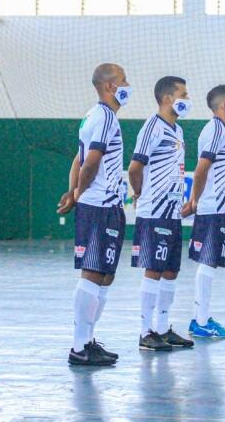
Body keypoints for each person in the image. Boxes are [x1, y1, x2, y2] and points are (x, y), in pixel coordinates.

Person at [58, 63, 130, 366]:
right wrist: (77, 194)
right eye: (124, 81)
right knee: (92, 272)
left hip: (109, 206)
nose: (128, 86)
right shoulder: (102, 117)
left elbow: (79, 158)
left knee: (105, 275)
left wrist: (72, 189)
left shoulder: (98, 117)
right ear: (110, 87)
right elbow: (90, 163)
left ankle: (88, 339)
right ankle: (79, 346)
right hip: (98, 206)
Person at [129, 76, 195, 351]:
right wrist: (140, 193)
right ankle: (146, 332)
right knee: (153, 269)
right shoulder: (151, 127)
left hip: (172, 211)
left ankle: (163, 327)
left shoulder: (177, 130)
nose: (187, 99)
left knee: (171, 270)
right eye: (183, 94)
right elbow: (135, 167)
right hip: (154, 212)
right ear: (168, 98)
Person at [182, 84, 225, 338]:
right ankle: (200, 320)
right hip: (212, 208)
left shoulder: (220, 131)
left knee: (209, 263)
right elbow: (201, 168)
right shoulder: (215, 129)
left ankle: (202, 316)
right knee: (207, 263)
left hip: (218, 207)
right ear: (224, 105)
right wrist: (194, 201)